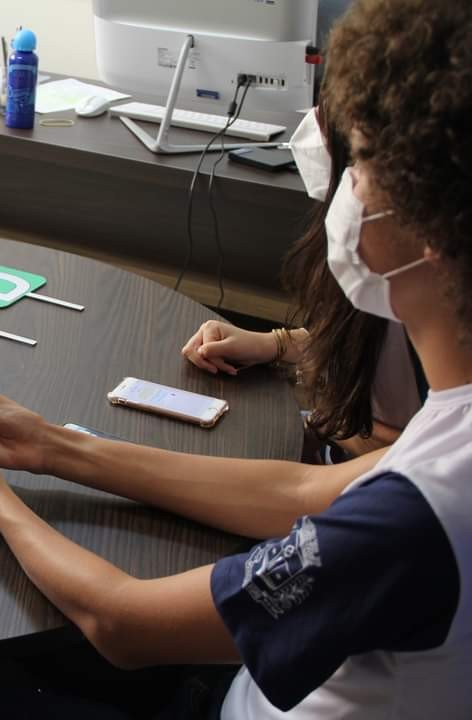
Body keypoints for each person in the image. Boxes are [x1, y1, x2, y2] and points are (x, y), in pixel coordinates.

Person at [0, 1, 472, 717]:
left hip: (233, 702)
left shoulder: (418, 513)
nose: (341, 192)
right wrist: (53, 447)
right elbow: (297, 499)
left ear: (426, 223)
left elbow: (123, 623)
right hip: (262, 669)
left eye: (361, 168)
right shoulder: (446, 445)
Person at [180, 105, 424, 460]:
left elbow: (420, 452)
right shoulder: (390, 273)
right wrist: (276, 344)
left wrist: (80, 452)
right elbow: (377, 348)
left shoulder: (424, 284)